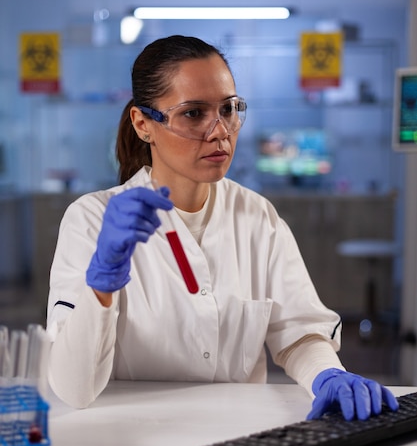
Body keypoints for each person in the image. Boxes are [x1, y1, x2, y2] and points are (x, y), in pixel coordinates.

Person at [47, 35, 398, 419]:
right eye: (194, 113)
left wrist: (328, 373)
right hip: (132, 436)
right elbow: (72, 389)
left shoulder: (256, 215)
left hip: (240, 436)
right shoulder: (92, 220)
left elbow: (298, 332)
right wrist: (101, 286)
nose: (220, 132)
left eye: (228, 109)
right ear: (143, 124)